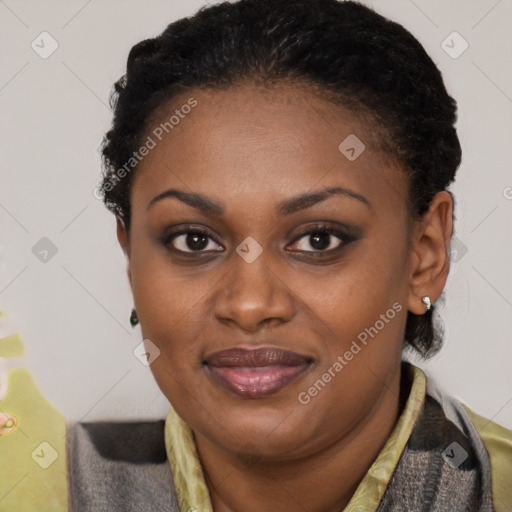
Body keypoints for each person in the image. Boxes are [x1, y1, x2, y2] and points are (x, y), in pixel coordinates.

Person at [1, 1, 511, 511]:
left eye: (318, 240)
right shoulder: (27, 486)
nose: (249, 304)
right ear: (132, 259)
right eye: (193, 241)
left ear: (424, 255)